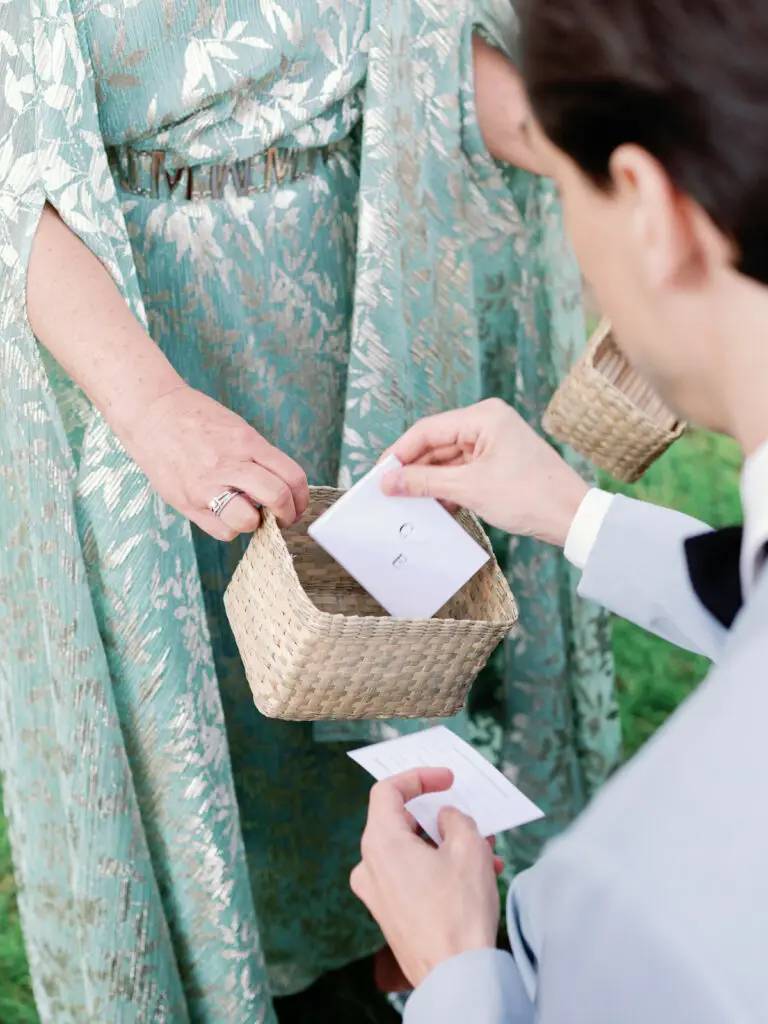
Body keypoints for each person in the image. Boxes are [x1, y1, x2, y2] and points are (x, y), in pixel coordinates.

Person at [0, 0, 619, 1019]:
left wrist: (590, 146)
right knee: (212, 700)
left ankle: (417, 954)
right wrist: (152, 406)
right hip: (130, 327)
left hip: (372, 288)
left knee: (393, 637)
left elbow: (426, 50)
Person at [351, 0, 768, 1019]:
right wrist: (575, 512)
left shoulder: (641, 904)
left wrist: (454, 964)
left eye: (556, 172)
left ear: (648, 210)